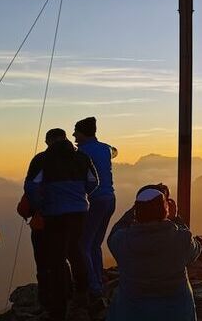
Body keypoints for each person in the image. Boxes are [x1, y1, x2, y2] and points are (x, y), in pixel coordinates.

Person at [24, 128, 99, 320]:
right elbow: (93, 182)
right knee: (76, 250)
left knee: (56, 259)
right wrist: (79, 197)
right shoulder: (82, 157)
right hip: (80, 212)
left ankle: (59, 307)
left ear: (49, 141)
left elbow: (31, 187)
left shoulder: (42, 159)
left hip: (54, 214)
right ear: (65, 139)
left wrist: (41, 205)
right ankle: (82, 295)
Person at [106, 186, 201, 321]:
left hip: (131, 312)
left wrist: (133, 211)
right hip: (176, 312)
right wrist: (176, 219)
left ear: (137, 213)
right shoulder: (181, 239)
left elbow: (113, 235)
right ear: (165, 210)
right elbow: (195, 251)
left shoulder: (123, 241)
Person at [74, 116, 118, 305]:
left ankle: (94, 287)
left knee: (83, 244)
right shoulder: (105, 148)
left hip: (95, 201)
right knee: (94, 243)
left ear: (83, 133)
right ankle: (98, 279)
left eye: (76, 132)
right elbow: (114, 151)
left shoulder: (81, 153)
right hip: (110, 199)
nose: (74, 136)